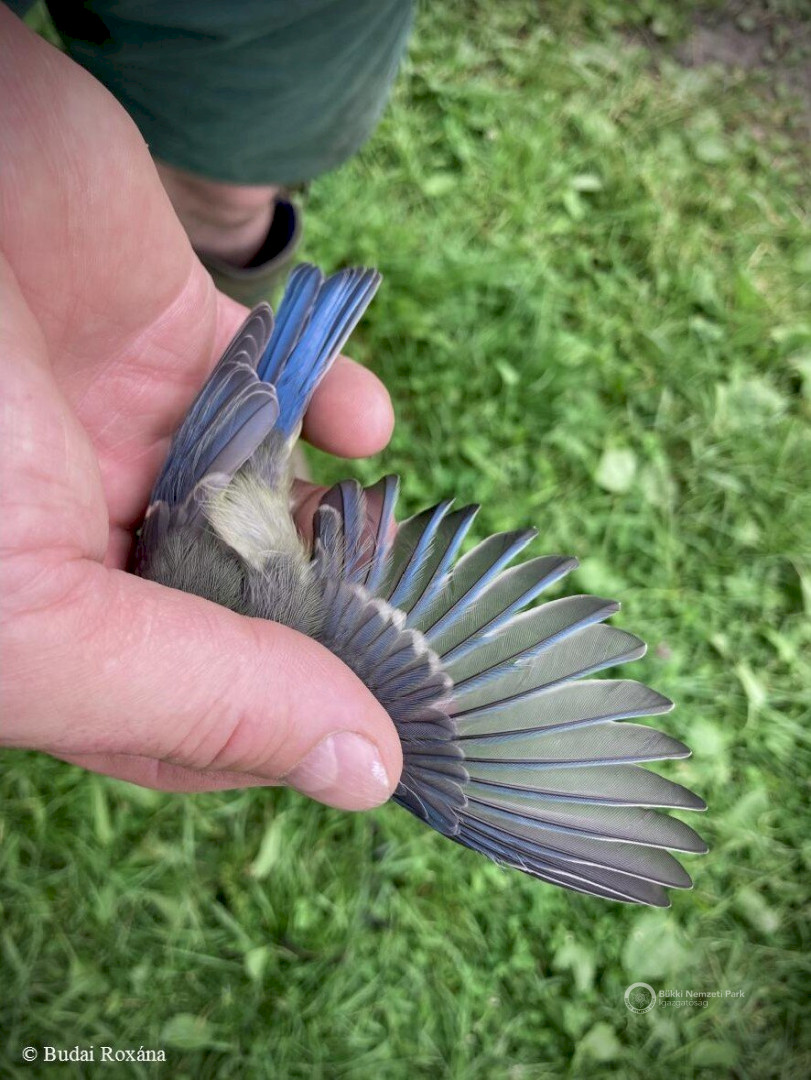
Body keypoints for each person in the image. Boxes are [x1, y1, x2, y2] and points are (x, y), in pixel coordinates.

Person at [0, 6, 409, 808]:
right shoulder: (162, 565)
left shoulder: (250, 604)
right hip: (220, 447)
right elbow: (192, 472)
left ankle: (245, 264)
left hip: (251, 458)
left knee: (232, 182)